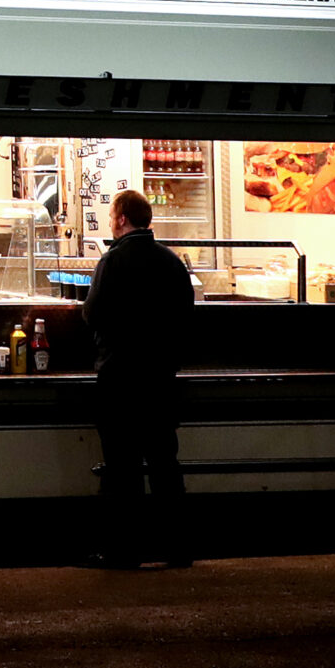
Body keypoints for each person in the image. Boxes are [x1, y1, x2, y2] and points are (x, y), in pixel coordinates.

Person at [82, 187, 194, 569]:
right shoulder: (172, 262)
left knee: (123, 469)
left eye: (112, 215)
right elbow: (186, 317)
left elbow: (92, 314)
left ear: (121, 219)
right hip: (160, 379)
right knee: (165, 465)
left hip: (121, 379)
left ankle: (122, 552)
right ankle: (178, 549)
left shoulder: (113, 262)